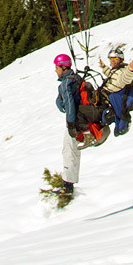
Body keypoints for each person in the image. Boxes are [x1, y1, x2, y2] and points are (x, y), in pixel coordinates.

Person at [54, 52, 81, 196]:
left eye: (57, 67)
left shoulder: (66, 83)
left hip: (75, 122)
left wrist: (70, 123)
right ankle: (69, 183)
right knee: (72, 150)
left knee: (69, 151)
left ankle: (68, 187)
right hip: (81, 120)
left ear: (63, 67)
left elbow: (69, 104)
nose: (55, 70)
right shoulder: (76, 78)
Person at [99, 46, 133, 136]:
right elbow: (111, 74)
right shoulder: (116, 70)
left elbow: (127, 78)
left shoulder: (124, 71)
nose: (112, 61)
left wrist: (131, 70)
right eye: (111, 58)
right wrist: (103, 67)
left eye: (115, 58)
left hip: (111, 97)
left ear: (120, 59)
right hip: (106, 94)